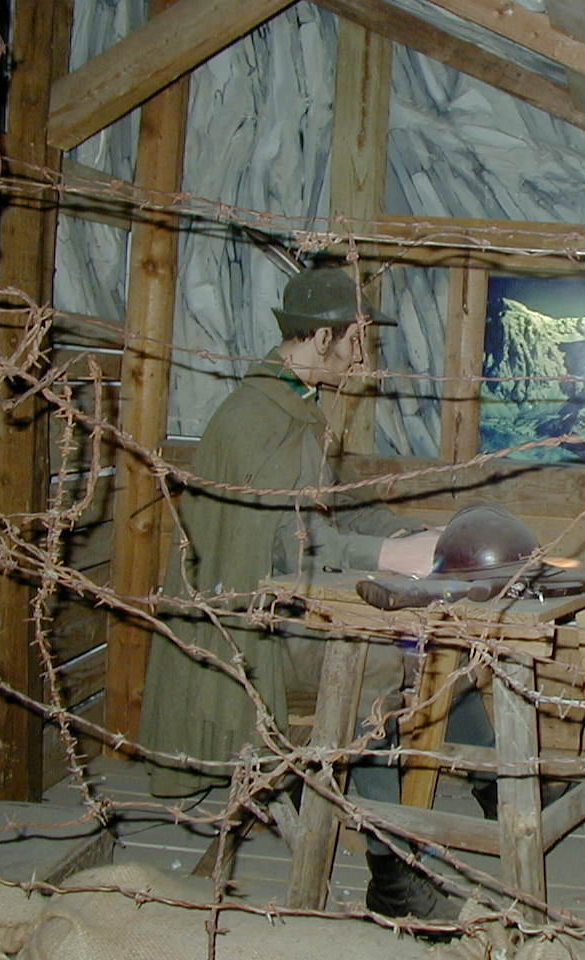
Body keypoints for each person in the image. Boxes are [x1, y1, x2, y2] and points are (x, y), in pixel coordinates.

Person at [139, 265, 492, 923]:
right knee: (384, 659)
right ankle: (392, 872)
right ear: (324, 335)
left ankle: (496, 784)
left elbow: (327, 512)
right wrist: (388, 555)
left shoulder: (289, 404)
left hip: (276, 608)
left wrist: (415, 532)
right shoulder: (258, 421)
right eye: (355, 339)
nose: (361, 356)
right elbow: (287, 549)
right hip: (248, 636)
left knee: (436, 633)